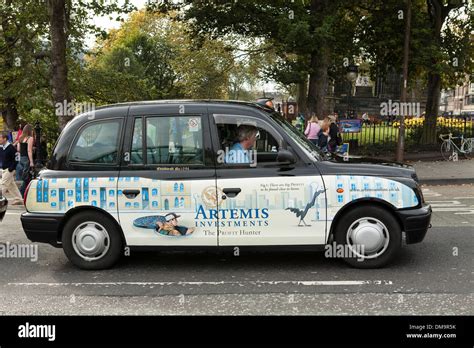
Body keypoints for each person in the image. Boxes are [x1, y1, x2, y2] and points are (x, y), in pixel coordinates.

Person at [0, 131, 23, 205]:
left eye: (0, 138)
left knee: (3, 184)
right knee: (11, 185)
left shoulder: (11, 148)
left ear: (5, 139)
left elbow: (17, 158)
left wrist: (12, 168)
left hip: (9, 169)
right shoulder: (1, 147)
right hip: (4, 169)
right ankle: (18, 199)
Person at [17, 124, 35, 196]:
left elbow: (18, 149)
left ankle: (24, 193)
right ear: (30, 130)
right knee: (26, 177)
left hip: (21, 158)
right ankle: (21, 194)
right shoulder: (30, 138)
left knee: (25, 177)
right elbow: (29, 150)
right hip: (26, 159)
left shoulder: (21, 138)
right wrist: (31, 161)